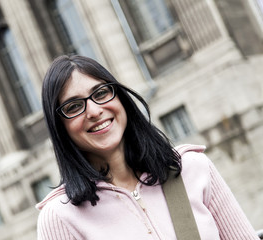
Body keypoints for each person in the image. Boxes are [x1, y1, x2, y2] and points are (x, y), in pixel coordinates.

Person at [36, 55, 259, 240]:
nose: (94, 111)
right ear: (60, 127)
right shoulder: (60, 216)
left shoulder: (191, 168)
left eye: (101, 93)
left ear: (120, 98)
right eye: (73, 106)